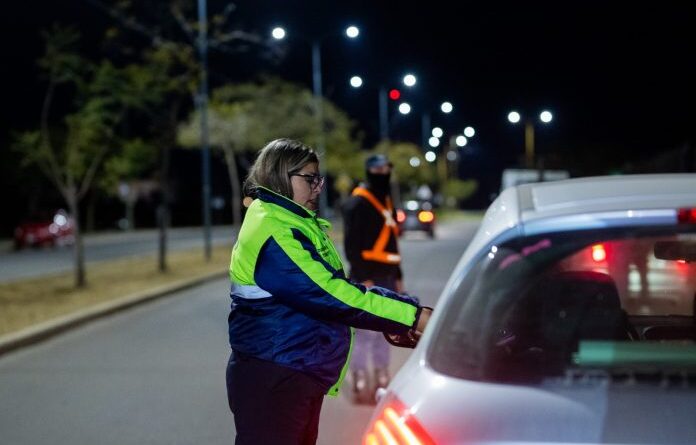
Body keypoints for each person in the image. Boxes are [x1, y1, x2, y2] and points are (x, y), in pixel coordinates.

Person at [226, 139, 432, 445]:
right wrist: (411, 316)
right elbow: (330, 293)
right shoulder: (274, 228)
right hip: (275, 376)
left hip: (292, 369)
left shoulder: (293, 220)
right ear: (281, 175)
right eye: (309, 179)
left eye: (318, 179)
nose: (318, 188)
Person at [342, 153, 403, 403]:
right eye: (378, 169)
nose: (383, 173)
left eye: (387, 168)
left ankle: (381, 373)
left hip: (387, 275)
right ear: (369, 171)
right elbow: (351, 245)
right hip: (364, 277)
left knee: (386, 329)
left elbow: (392, 243)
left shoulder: (387, 200)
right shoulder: (358, 202)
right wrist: (363, 276)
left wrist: (398, 276)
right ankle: (359, 375)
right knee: (364, 332)